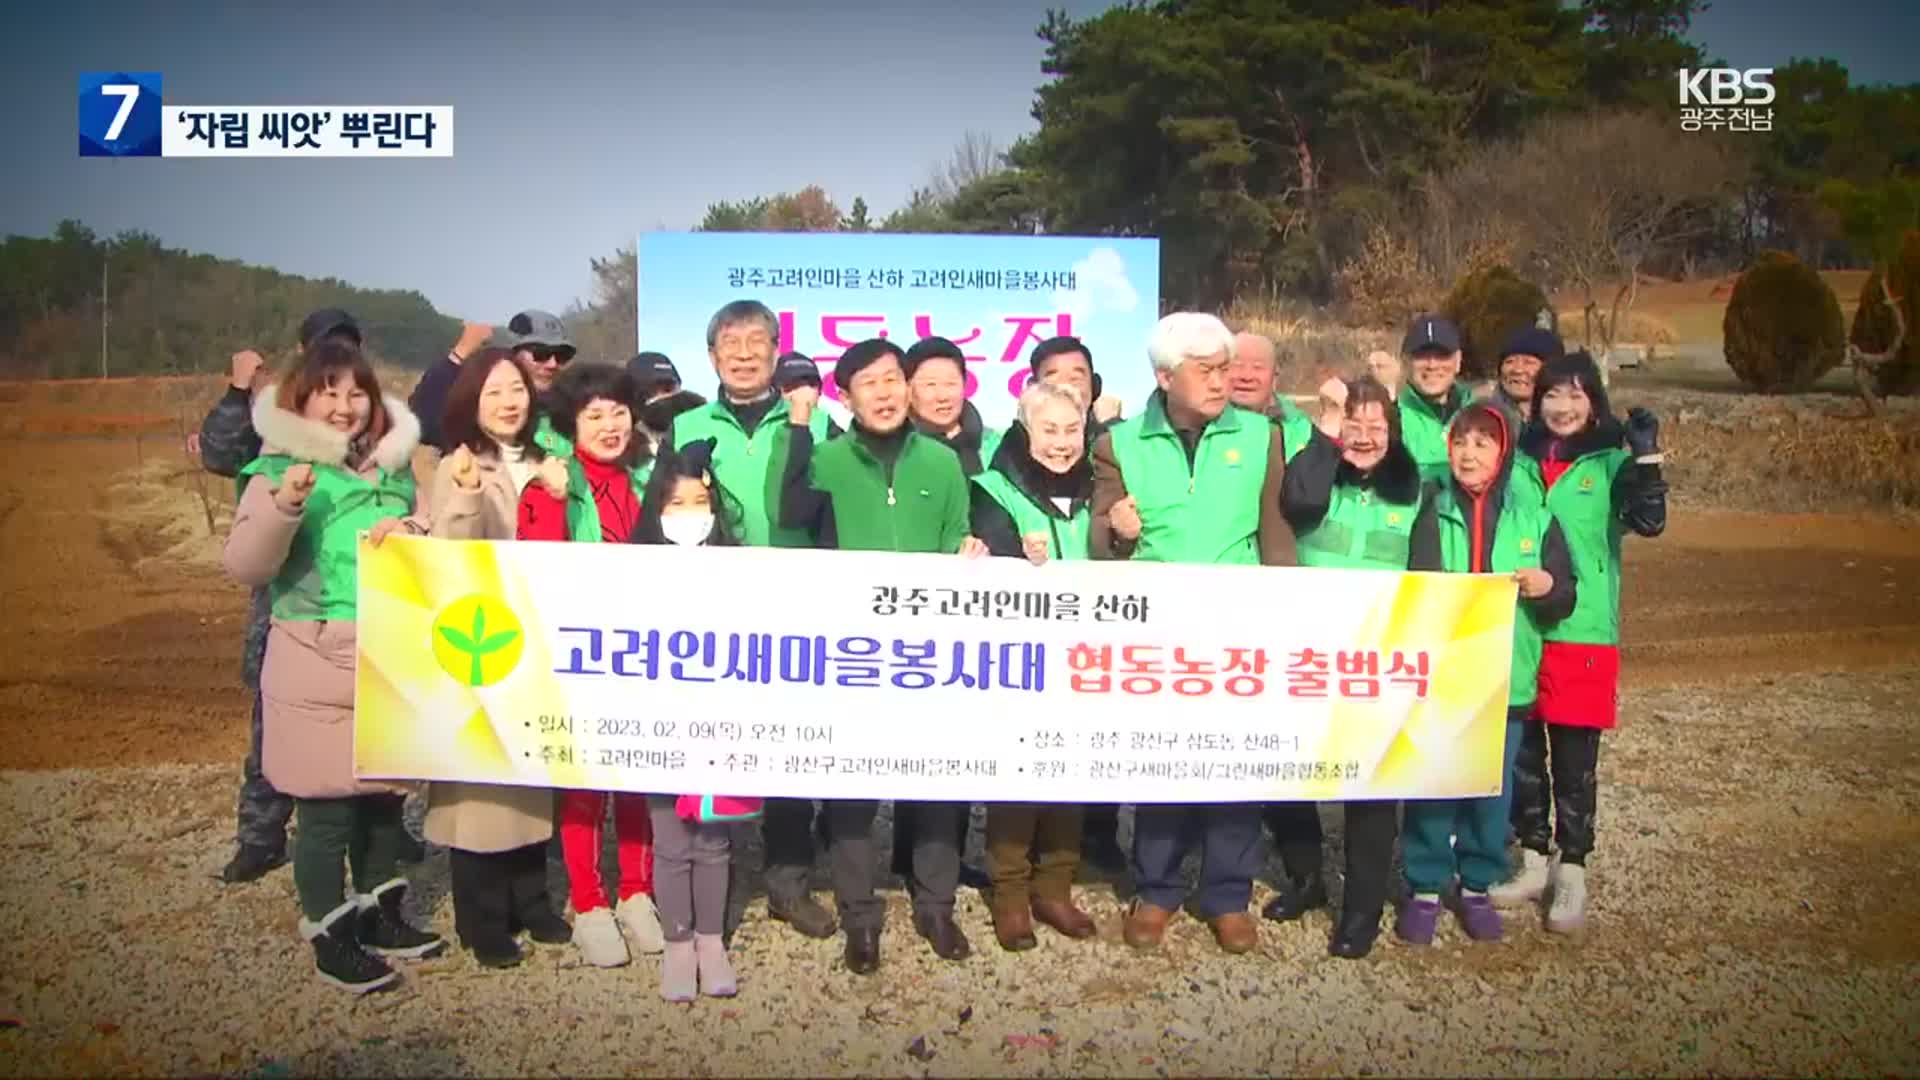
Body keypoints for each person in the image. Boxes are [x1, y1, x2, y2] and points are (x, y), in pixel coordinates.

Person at [222, 338, 444, 993]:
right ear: (301, 398)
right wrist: (286, 502)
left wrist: (414, 531)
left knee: (380, 804)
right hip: (313, 655)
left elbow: (432, 536)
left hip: (388, 651)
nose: (345, 407)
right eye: (329, 392)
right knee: (324, 813)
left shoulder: (395, 468)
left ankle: (382, 915)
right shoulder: (275, 469)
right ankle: (328, 934)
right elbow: (247, 565)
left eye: (357, 393)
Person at [779, 337, 989, 974]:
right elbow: (786, 511)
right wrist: (796, 427)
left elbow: (958, 537)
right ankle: (861, 917)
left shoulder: (943, 462)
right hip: (856, 656)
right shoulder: (824, 461)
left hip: (931, 656)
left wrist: (969, 555)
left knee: (936, 787)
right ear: (846, 398)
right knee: (852, 794)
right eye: (867, 383)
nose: (885, 392)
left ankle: (936, 907)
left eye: (893, 378)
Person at [1090, 312, 1294, 956]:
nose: (1220, 379)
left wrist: (1289, 619)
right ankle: (1155, 889)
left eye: (1225, 367)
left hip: (1241, 630)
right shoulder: (1118, 444)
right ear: (1163, 375)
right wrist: (1114, 532)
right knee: (1162, 760)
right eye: (1205, 370)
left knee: (1235, 762)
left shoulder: (1262, 436)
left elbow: (1276, 535)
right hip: (1158, 636)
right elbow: (1098, 545)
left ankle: (1228, 895)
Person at [668, 301, 839, 943]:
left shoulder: (812, 422)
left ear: (775, 351)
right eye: (730, 343)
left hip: (795, 604)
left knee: (787, 743)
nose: (743, 353)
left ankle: (788, 883)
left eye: (756, 341)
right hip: (708, 607)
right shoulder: (684, 424)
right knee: (709, 737)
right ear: (712, 356)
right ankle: (710, 875)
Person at [199, 308, 382, 884]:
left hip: (361, 619)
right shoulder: (275, 416)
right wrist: (236, 390)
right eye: (323, 348)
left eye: (346, 347)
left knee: (369, 735)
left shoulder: (374, 435)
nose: (340, 399)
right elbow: (219, 453)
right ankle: (262, 835)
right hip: (287, 605)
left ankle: (377, 842)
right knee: (273, 731)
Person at [1492, 351, 1666, 935]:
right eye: (1551, 395)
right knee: (1522, 755)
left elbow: (1649, 521)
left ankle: (1574, 869)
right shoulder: (1518, 458)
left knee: (1572, 757)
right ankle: (1535, 859)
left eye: (1574, 395)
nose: (1562, 407)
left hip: (1582, 628)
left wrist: (1646, 457)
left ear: (1593, 401)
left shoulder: (1610, 461)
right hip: (1520, 624)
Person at [1400, 403, 1576, 945]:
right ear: (1448, 449)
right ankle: (1424, 887)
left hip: (1507, 681)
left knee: (1489, 792)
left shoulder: (1536, 520)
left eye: (1483, 442)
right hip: (1445, 679)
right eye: (1461, 442)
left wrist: (1548, 585)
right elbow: (1418, 590)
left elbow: (1564, 597)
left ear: (1503, 454)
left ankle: (1476, 884)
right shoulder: (1429, 514)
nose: (1470, 453)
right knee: (1435, 783)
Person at [422, 349, 572, 968]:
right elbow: (447, 555)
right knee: (480, 787)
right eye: (493, 393)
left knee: (532, 774)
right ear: (470, 403)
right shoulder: (456, 465)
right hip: (482, 640)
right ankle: (481, 919)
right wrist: (462, 496)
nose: (509, 402)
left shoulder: (547, 461)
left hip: (542, 640)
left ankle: (531, 901)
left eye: (516, 390)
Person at [1268, 376, 1423, 959]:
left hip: (1376, 663)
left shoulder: (1415, 494)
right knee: (1290, 776)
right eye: (1353, 424)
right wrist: (1327, 432)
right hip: (1306, 653)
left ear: (1395, 433)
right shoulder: (1319, 475)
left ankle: (1360, 910)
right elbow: (1298, 503)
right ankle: (1306, 878)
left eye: (1375, 426)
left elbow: (1427, 579)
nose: (1363, 436)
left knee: (1372, 786)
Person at [515, 361, 664, 967]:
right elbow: (537, 566)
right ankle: (590, 902)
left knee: (637, 777)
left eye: (619, 412)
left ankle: (637, 892)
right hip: (579, 657)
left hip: (646, 653)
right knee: (583, 785)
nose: (609, 425)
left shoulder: (650, 479)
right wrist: (552, 498)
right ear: (571, 423)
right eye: (594, 414)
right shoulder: (551, 482)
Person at [969, 380, 1099, 951]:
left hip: (1091, 658)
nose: (1062, 442)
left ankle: (1055, 887)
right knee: (1020, 775)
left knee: (1073, 775)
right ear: (1025, 430)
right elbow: (990, 552)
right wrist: (1017, 552)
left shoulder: (1102, 485)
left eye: (1072, 430)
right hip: (1023, 659)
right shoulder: (993, 487)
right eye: (1049, 430)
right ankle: (1011, 894)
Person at [629, 437, 751, 1000]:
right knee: (671, 840)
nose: (689, 515)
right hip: (658, 720)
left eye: (700, 503)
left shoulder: (739, 569)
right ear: (656, 510)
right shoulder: (632, 572)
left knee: (715, 840)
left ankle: (712, 940)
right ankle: (678, 946)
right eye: (676, 505)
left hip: (722, 720)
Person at [1026, 334, 1127, 872]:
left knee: (1100, 726)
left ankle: (1099, 835)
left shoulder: (1118, 444)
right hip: (1040, 619)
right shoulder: (1015, 447)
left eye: (1079, 373)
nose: (1068, 382)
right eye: (1055, 373)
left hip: (1106, 616)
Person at [410, 311, 577, 457]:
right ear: (511, 354)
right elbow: (424, 423)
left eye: (562, 355)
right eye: (542, 354)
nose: (552, 364)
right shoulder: (484, 414)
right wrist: (458, 356)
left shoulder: (569, 414)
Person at [905, 336, 1001, 475]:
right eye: (930, 384)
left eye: (951, 384)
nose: (942, 396)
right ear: (908, 389)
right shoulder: (896, 448)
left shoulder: (994, 444)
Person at [1397, 315, 1473, 483]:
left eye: (1441, 355)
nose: (1432, 365)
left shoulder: (1481, 415)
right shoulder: (1390, 419)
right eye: (1421, 356)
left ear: (1458, 360)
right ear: (1406, 362)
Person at [1230, 330, 1315, 459]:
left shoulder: (1298, 428)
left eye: (1257, 367)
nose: (1246, 376)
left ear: (1275, 376)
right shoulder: (1203, 425)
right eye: (1237, 365)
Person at [1028, 335, 1123, 439]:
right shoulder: (1013, 446)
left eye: (1075, 378)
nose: (1066, 388)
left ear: (1095, 386)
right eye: (1054, 380)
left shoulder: (1121, 440)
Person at [1489, 327, 1563, 425]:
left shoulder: (1567, 422)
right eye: (1509, 361)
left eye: (1529, 362)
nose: (1518, 370)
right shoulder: (1483, 419)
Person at [773, 350, 852, 433]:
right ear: (777, 391)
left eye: (811, 384)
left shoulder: (829, 429)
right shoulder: (762, 425)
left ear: (820, 392)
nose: (803, 392)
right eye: (792, 386)